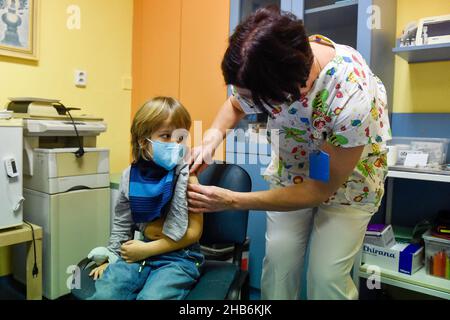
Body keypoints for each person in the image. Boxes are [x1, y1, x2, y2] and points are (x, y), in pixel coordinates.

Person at [188, 7, 391, 300]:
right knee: (279, 265)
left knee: (326, 277)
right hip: (295, 168)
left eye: (252, 98)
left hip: (349, 182)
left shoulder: (350, 96)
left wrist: (231, 200)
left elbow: (318, 190)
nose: (245, 102)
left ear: (294, 91)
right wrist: (208, 142)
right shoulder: (276, 62)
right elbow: (234, 106)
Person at [89, 97, 204, 300]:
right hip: (140, 252)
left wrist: (147, 249)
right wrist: (112, 255)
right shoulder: (129, 177)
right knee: (106, 294)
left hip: (180, 258)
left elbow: (194, 232)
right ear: (144, 141)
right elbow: (122, 222)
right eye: (166, 136)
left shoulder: (188, 176)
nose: (175, 144)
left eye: (180, 138)